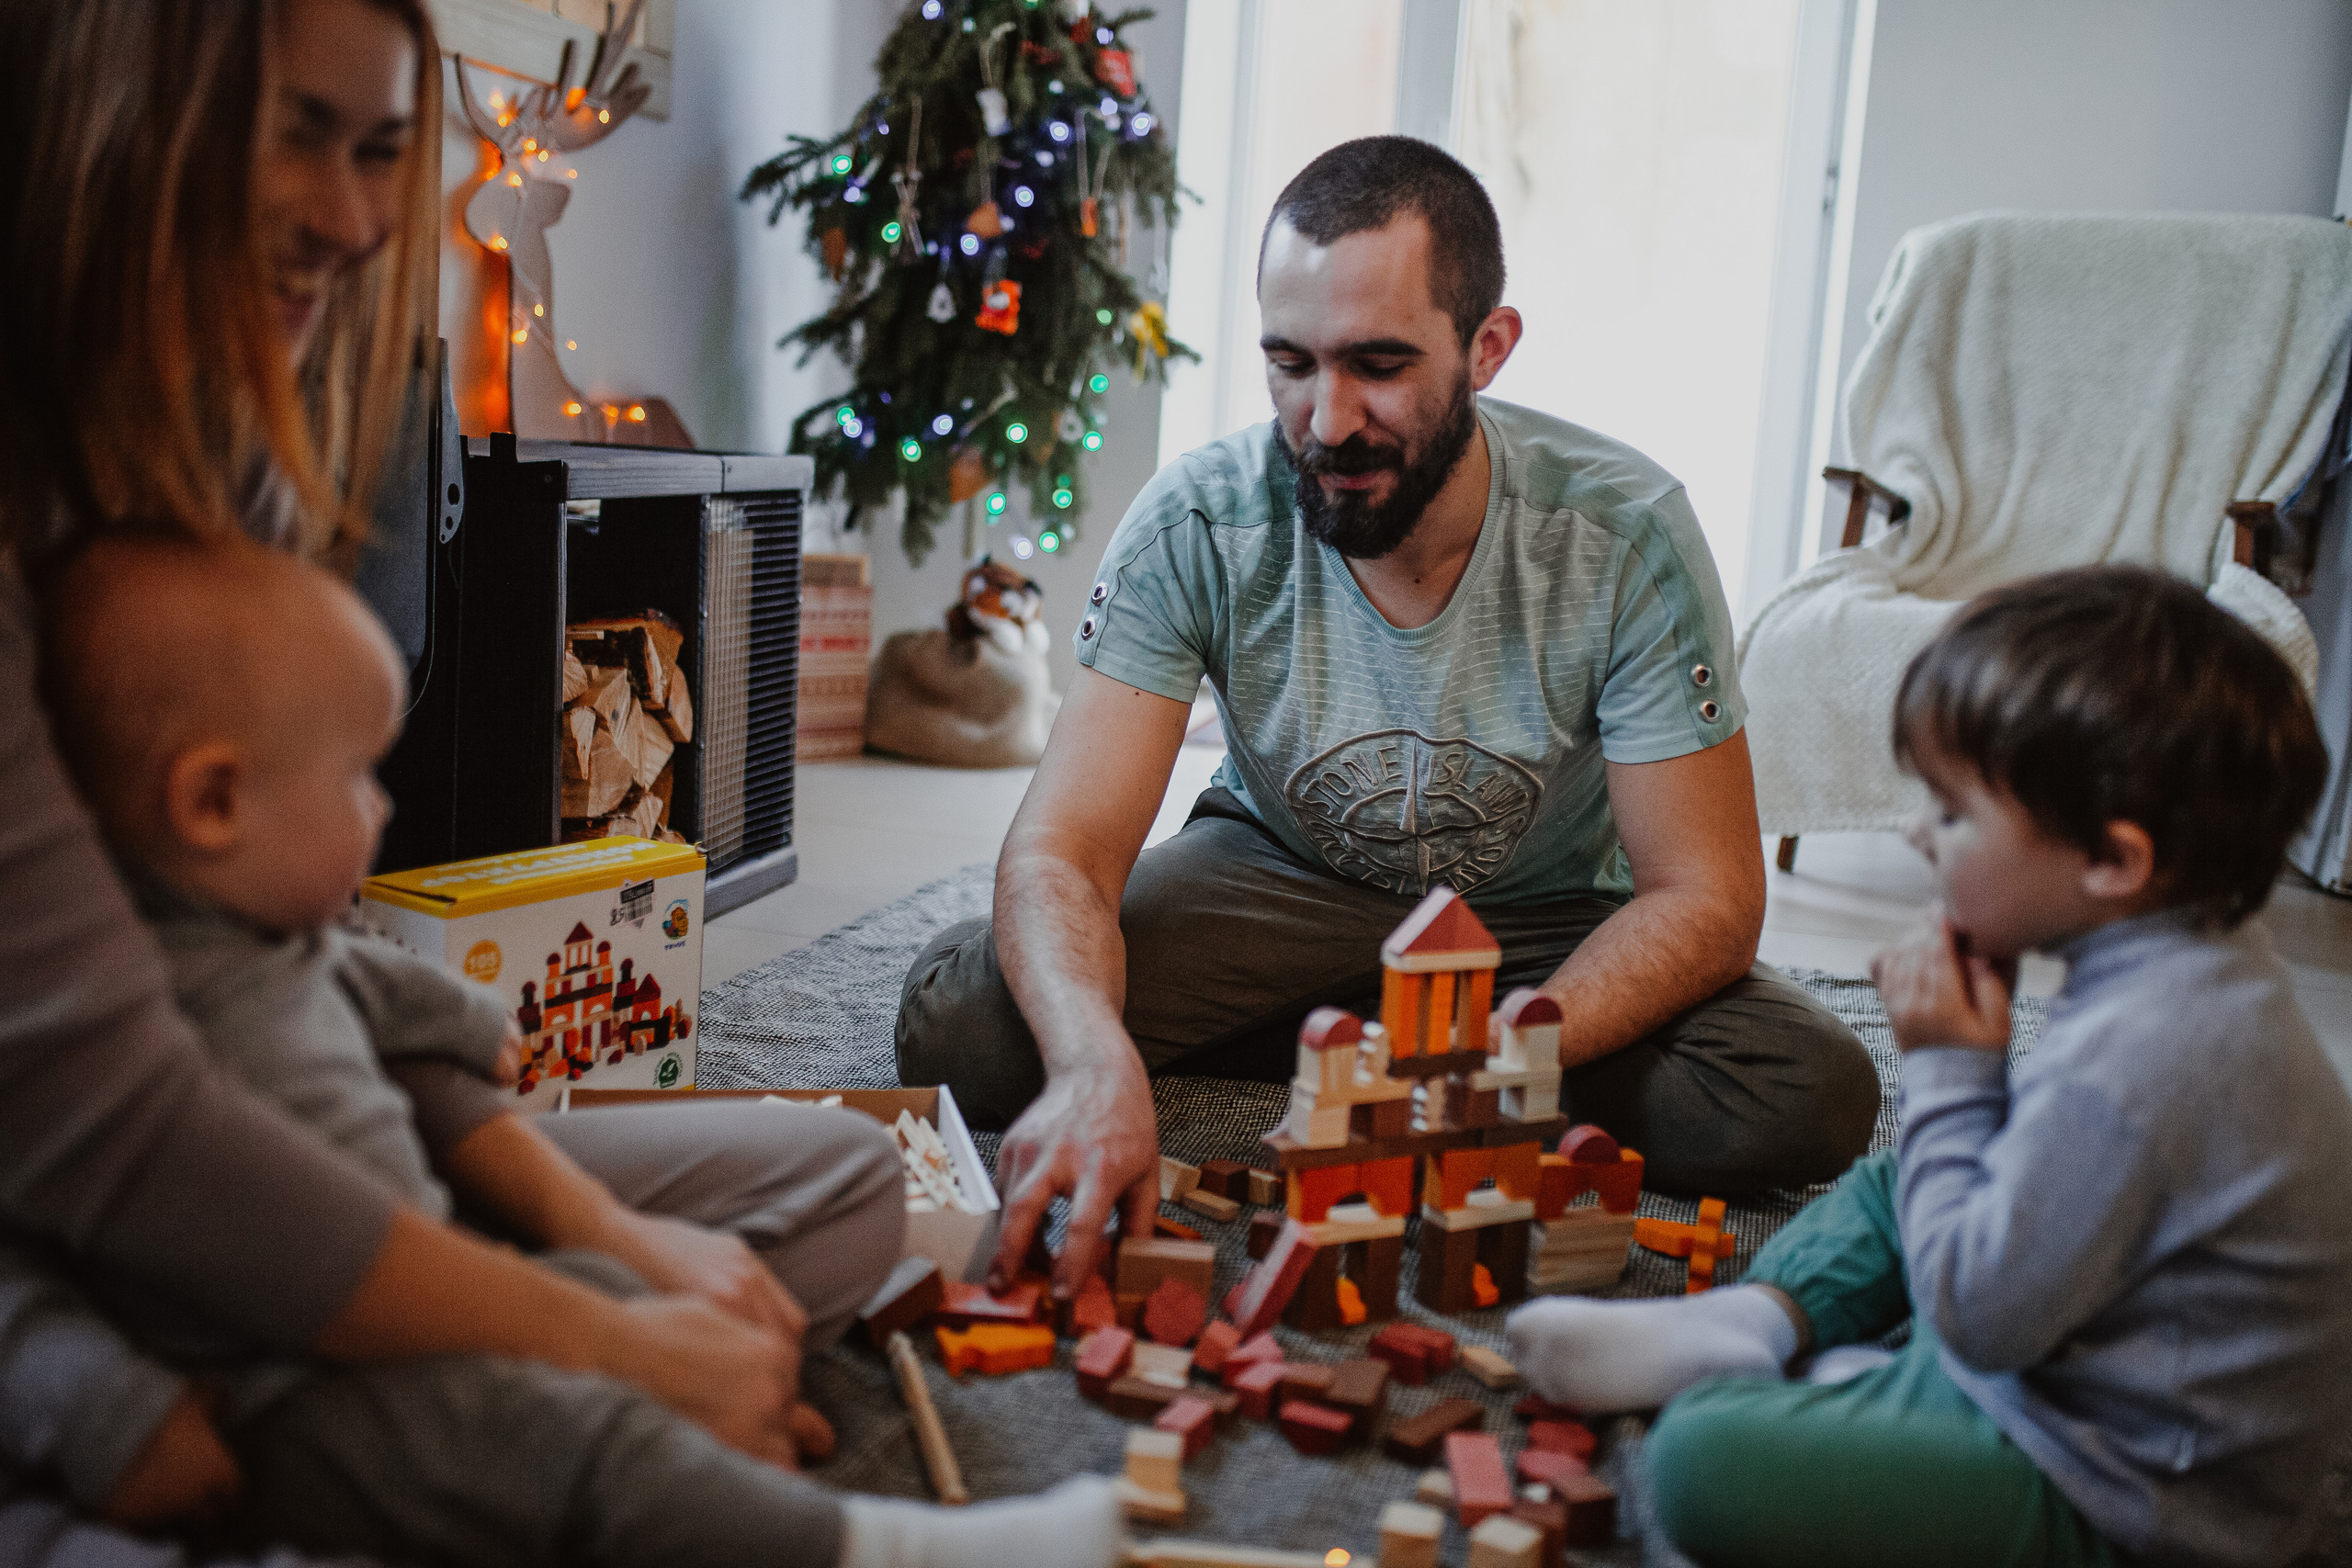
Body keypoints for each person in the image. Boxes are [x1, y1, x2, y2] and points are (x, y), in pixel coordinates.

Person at [0, 1, 922, 1563]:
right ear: (122, 125)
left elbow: (307, 972)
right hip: (70, 1259)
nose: (360, 219)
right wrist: (611, 1340)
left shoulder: (222, 462)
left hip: (283, 1130)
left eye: (382, 151)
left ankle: (440, 1422)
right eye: (299, 136)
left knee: (838, 1185)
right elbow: (109, 1123)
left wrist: (607, 1242)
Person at [1, 533, 1118, 1568]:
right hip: (270, 1385)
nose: (382, 815)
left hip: (428, 1250)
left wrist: (494, 1074)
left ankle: (682, 1441)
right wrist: (102, 1405)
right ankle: (869, 1548)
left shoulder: (271, 923)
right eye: (355, 780)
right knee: (566, 1440)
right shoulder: (135, 976)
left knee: (709, 1249)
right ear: (211, 803)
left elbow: (382, 993)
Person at [897, 135, 1880, 1297]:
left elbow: (1707, 897)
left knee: (1802, 1093)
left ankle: (1362, 1057)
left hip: (1539, 926)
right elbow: (1065, 842)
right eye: (1291, 364)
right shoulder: (1197, 522)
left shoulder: (1623, 534)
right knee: (966, 1026)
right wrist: (1089, 1062)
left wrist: (1486, 1055)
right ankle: (1354, 1048)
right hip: (1277, 883)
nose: (1326, 419)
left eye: (1378, 364)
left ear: (1486, 347)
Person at [1504, 566, 2352, 1568]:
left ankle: (1814, 1380)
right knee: (1898, 1178)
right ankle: (1750, 1325)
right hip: (2058, 1348)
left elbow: (1978, 1319)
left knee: (1699, 1459)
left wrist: (1952, 1067)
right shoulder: (2204, 961)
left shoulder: (2138, 1065)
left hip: (2114, 1493)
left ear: (2114, 862)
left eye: (1951, 813)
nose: (1915, 834)